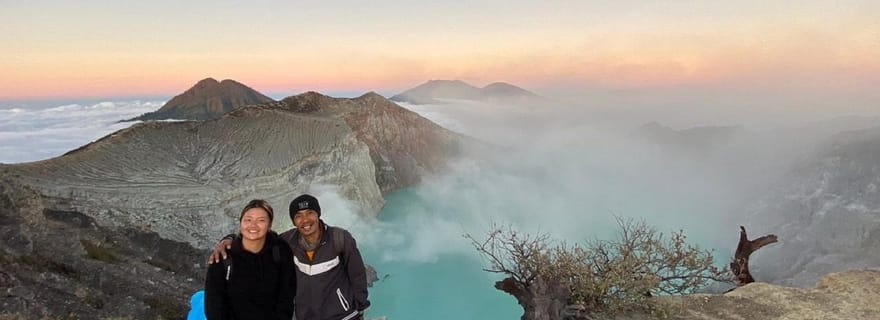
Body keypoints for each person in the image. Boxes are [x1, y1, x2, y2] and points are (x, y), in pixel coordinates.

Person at [209, 194, 370, 320]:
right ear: (293, 220)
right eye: (298, 215)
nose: (305, 220)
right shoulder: (286, 242)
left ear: (318, 214)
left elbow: (357, 275)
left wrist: (360, 308)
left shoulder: (340, 239)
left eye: (310, 213)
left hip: (341, 315)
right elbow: (258, 237)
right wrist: (228, 239)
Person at [204, 199, 295, 320]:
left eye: (261, 220)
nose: (253, 225)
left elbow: (286, 295)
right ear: (241, 223)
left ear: (269, 225)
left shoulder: (280, 251)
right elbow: (214, 305)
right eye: (248, 219)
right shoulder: (224, 256)